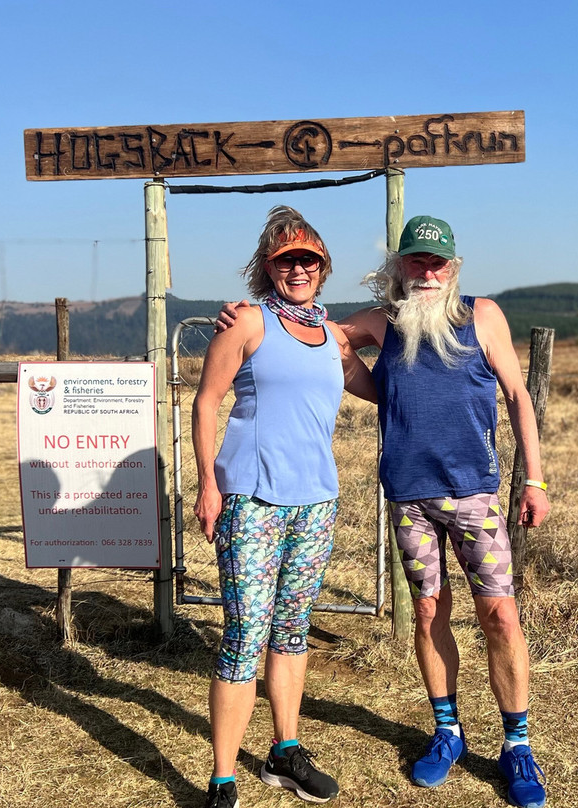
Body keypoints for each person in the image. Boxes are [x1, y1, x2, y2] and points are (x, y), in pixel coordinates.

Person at [218, 215, 550, 808]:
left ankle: (517, 745)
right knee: (427, 611)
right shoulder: (383, 322)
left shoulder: (484, 315)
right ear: (399, 268)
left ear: (454, 268)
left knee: (499, 613)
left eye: (437, 262)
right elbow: (318, 337)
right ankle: (446, 732)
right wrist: (245, 316)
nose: (427, 271)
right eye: (416, 261)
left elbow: (519, 395)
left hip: (474, 493)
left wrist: (536, 479)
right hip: (408, 495)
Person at [193, 205, 376, 808]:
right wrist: (208, 485)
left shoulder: (333, 337)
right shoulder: (246, 322)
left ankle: (285, 751)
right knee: (245, 634)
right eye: (285, 261)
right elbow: (207, 401)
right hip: (252, 499)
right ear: (267, 269)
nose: (297, 269)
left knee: (292, 633)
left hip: (315, 503)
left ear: (322, 268)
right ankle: (223, 779)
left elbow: (380, 382)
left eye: (307, 260)